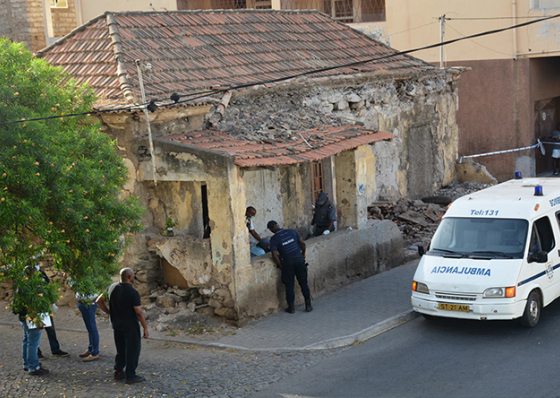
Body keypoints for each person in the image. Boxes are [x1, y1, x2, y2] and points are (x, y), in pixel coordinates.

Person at [96, 268, 149, 384]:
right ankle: (131, 375)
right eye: (133, 276)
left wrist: (109, 312)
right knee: (132, 350)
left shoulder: (111, 288)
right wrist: (145, 327)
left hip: (116, 324)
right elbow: (139, 312)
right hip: (130, 326)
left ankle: (118, 371)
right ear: (130, 277)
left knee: (121, 349)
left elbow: (99, 301)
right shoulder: (133, 293)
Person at [267, 220, 312, 314]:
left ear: (271, 230)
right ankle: (308, 305)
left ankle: (291, 308)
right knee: (303, 283)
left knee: (289, 285)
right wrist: (303, 255)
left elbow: (274, 255)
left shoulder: (274, 239)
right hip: (299, 260)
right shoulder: (292, 231)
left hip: (287, 262)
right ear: (278, 225)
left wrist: (281, 265)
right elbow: (303, 244)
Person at [13, 266, 50, 376]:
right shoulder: (29, 286)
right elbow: (30, 305)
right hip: (31, 317)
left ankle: (27, 363)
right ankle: (33, 367)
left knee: (27, 340)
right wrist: (37, 320)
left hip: (23, 316)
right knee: (33, 342)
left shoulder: (20, 284)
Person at [36, 266, 69, 359]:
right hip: (35, 307)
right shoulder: (26, 278)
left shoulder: (42, 274)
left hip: (45, 306)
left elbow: (48, 286)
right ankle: (36, 352)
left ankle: (55, 349)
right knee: (36, 331)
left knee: (50, 329)